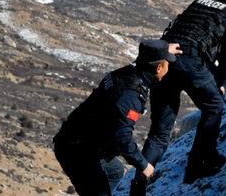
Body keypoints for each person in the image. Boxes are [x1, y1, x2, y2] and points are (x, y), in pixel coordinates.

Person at [142, 0, 226, 185]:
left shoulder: (202, 1)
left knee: (159, 132)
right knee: (214, 106)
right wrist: (220, 79)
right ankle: (198, 166)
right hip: (190, 61)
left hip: (164, 59)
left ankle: (138, 185)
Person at [53, 39, 181, 196]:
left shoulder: (130, 72)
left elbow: (145, 59)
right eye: (167, 63)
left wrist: (163, 51)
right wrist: (144, 165)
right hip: (77, 151)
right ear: (159, 67)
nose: (169, 67)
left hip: (83, 143)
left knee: (115, 170)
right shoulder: (130, 97)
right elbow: (123, 138)